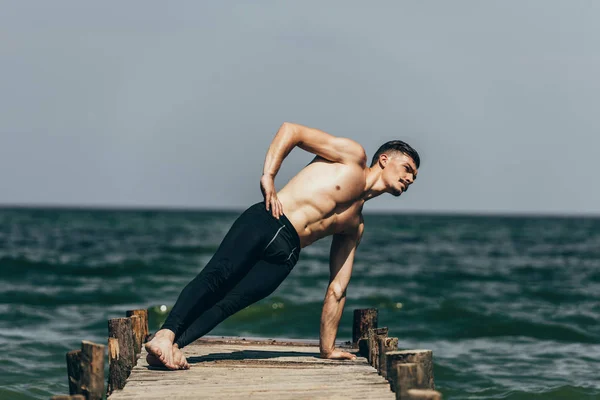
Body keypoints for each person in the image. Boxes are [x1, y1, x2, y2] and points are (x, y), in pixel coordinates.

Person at [145, 122, 420, 370]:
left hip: (286, 255)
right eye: (407, 169)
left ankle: (172, 347)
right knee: (217, 275)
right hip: (269, 218)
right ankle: (166, 334)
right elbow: (292, 131)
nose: (409, 179)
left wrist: (328, 349)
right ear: (384, 159)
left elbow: (337, 287)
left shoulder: (355, 225)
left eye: (414, 177)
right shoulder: (352, 156)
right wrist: (269, 175)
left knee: (229, 304)